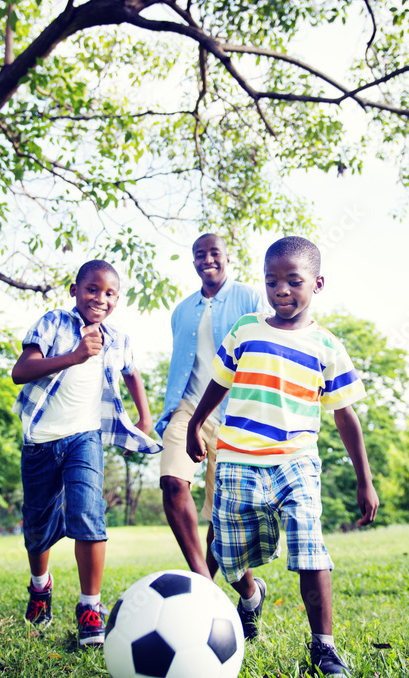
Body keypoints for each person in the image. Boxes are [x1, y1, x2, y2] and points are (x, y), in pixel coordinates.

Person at [186, 236, 379, 677]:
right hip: (236, 457)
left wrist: (364, 479)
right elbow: (218, 382)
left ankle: (324, 648)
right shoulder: (246, 330)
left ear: (318, 283)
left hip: (296, 460)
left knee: (310, 545)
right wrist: (195, 425)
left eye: (294, 281)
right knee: (228, 553)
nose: (282, 291)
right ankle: (251, 597)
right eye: (272, 281)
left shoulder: (327, 346)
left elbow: (346, 417)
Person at [12, 259, 160, 648]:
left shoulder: (118, 338)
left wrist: (144, 415)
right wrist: (75, 355)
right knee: (38, 524)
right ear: (75, 290)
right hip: (40, 439)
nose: (100, 298)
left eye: (110, 293)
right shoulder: (53, 323)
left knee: (88, 512)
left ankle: (89, 607)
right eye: (92, 289)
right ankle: (40, 588)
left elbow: (132, 372)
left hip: (85, 437)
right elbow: (21, 371)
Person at [156, 233, 268, 580]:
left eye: (214, 253)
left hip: (235, 414)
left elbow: (263, 352)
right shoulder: (181, 311)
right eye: (200, 255)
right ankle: (201, 580)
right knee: (173, 482)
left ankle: (240, 592)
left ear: (227, 257)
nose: (208, 260)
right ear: (193, 262)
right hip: (188, 408)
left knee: (222, 515)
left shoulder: (249, 297)